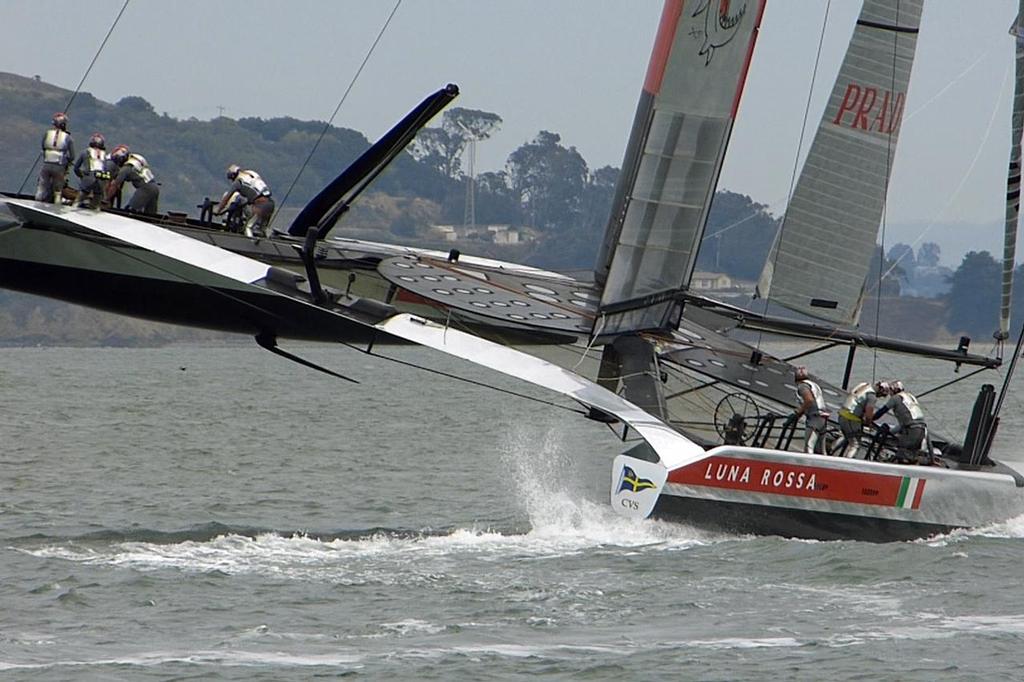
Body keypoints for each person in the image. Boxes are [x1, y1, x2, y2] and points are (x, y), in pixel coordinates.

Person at [874, 380, 929, 464]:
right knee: (912, 455)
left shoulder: (896, 398)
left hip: (912, 431)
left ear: (894, 390)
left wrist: (870, 418)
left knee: (902, 454)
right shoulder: (910, 397)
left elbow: (881, 411)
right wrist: (891, 432)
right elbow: (903, 424)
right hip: (922, 430)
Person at [214, 164, 275, 238]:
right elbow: (256, 189)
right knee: (262, 229)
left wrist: (218, 210)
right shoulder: (251, 173)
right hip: (270, 203)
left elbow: (226, 199)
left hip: (260, 206)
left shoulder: (238, 182)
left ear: (233, 176)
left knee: (248, 228)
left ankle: (251, 243)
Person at [831, 380, 885, 458]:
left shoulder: (863, 385)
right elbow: (868, 416)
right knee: (855, 444)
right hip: (851, 418)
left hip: (842, 413)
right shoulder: (872, 396)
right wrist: (868, 423)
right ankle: (847, 462)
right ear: (881, 390)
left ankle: (830, 451)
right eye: (881, 395)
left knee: (847, 436)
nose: (880, 397)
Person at [105, 144, 160, 215]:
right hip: (155, 187)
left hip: (145, 189)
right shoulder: (137, 158)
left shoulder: (126, 169)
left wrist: (106, 199)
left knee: (130, 212)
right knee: (150, 215)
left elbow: (114, 185)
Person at [36, 112, 75, 203]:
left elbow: (43, 147)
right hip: (59, 166)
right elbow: (72, 155)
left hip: (46, 164)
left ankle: (37, 202)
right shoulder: (68, 137)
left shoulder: (47, 134)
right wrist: (67, 161)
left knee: (42, 186)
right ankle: (56, 207)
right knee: (58, 191)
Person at [792, 366, 828, 454]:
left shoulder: (802, 386)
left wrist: (798, 412)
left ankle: (807, 465)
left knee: (809, 446)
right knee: (821, 449)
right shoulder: (814, 385)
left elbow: (809, 400)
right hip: (823, 417)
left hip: (814, 418)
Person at [73, 133, 113, 208]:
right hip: (100, 179)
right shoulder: (104, 155)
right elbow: (105, 168)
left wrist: (81, 176)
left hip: (88, 178)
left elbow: (76, 168)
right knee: (96, 202)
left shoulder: (85, 152)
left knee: (79, 199)